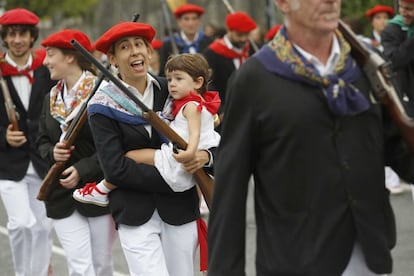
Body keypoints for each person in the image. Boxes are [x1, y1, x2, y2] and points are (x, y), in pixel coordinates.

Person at [208, 0, 414, 275]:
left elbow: (397, 149)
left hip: (370, 254)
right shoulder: (253, 79)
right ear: (283, 3)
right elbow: (230, 189)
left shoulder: (366, 66)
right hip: (295, 258)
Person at [73, 21, 213, 276]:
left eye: (140, 45)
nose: (135, 51)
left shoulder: (174, 89)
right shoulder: (101, 105)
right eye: (125, 47)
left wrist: (204, 156)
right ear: (113, 59)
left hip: (179, 210)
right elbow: (115, 169)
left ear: (150, 52)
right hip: (134, 211)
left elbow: (208, 136)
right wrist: (180, 177)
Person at [73, 53, 220, 205]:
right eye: (170, 79)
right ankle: (101, 190)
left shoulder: (189, 105)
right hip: (171, 167)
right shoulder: (192, 102)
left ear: (198, 82)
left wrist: (191, 154)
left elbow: (196, 135)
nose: (172, 84)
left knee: (131, 156)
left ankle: (101, 189)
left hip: (178, 159)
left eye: (178, 79)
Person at [37, 29, 116, 276]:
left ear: (70, 57)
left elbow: (113, 146)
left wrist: (82, 169)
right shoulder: (50, 97)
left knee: (102, 265)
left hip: (97, 191)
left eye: (50, 54)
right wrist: (53, 153)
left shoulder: (103, 93)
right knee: (80, 268)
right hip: (60, 196)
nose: (45, 61)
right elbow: (40, 141)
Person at [0, 8, 55, 276]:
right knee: (21, 224)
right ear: (5, 38)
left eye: (23, 34)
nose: (18, 39)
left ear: (32, 36)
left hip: (42, 162)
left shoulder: (46, 70)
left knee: (44, 227)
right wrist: (4, 136)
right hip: (8, 164)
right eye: (12, 34)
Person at [382, 0, 414, 195]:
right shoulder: (392, 31)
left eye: (409, 9)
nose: (403, 13)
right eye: (401, 8)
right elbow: (395, 60)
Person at [203, 11, 257, 126]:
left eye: (246, 35)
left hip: (252, 110)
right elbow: (209, 83)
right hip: (227, 111)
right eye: (239, 35)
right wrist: (220, 109)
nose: (243, 39)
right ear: (229, 31)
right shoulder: (213, 53)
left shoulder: (252, 50)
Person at [159, 3, 214, 76]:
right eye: (186, 19)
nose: (190, 23)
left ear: (199, 21)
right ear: (179, 22)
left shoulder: (210, 43)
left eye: (194, 18)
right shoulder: (169, 44)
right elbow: (163, 72)